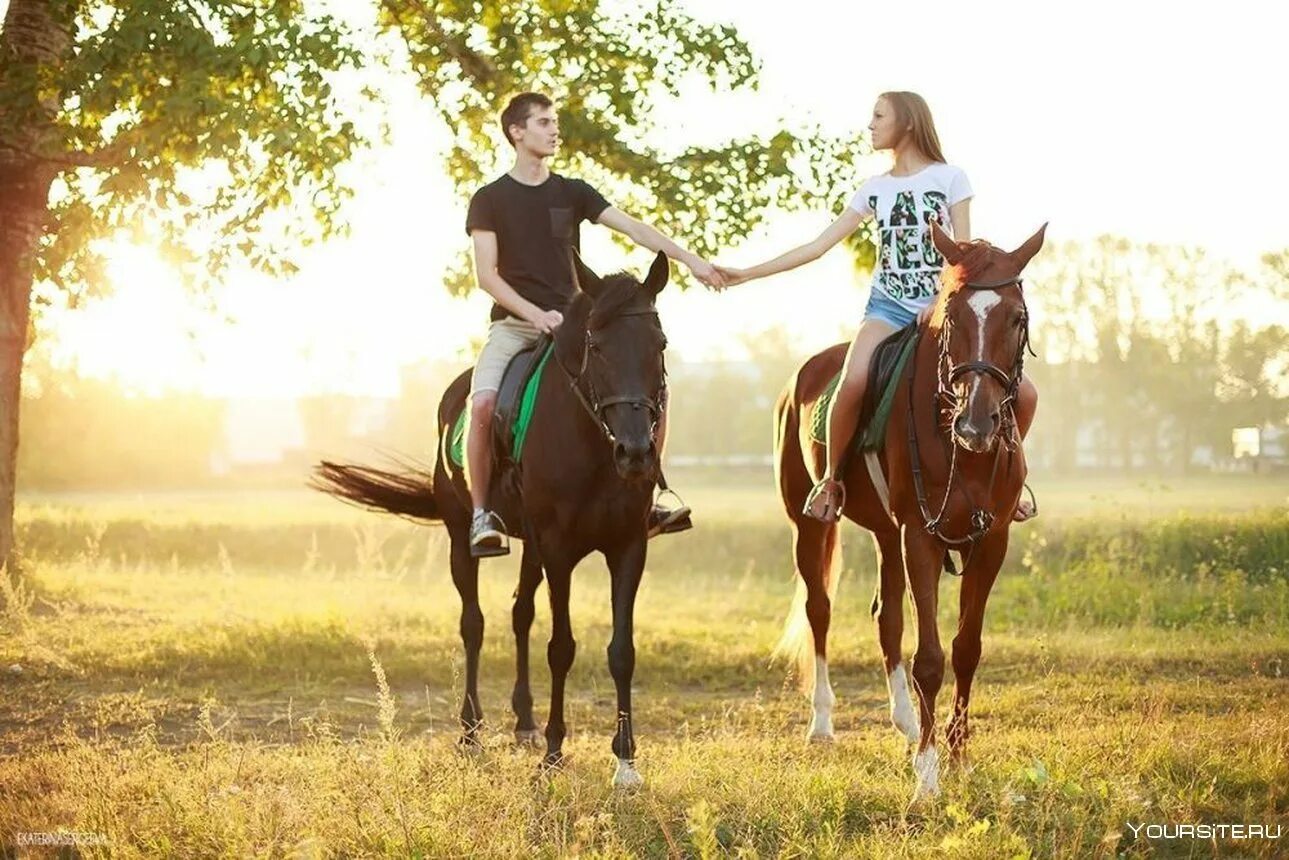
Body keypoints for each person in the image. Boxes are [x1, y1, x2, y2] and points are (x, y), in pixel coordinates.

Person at [715, 91, 1038, 522]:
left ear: (906, 122)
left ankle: (1008, 482)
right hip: (887, 307)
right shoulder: (875, 189)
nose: (870, 125)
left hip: (941, 311)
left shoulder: (950, 178)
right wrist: (746, 273)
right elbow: (818, 246)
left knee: (1026, 393)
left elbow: (964, 257)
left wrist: (939, 302)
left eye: (878, 116)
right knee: (853, 380)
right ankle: (830, 481)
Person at [464, 92, 722, 556]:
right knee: (482, 406)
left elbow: (635, 229)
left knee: (649, 393)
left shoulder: (573, 191)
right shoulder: (489, 200)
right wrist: (534, 314)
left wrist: (690, 260)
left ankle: (651, 494)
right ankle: (484, 514)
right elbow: (487, 276)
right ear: (516, 132)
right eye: (543, 122)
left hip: (574, 327)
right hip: (514, 326)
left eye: (554, 122)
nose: (553, 130)